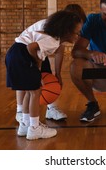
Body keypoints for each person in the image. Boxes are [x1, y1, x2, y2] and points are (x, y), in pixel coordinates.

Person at [6, 10, 83, 140]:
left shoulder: (52, 37)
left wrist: (38, 70)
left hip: (14, 53)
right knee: (36, 92)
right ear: (66, 31)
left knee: (30, 91)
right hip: (22, 54)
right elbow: (31, 48)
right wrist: (36, 69)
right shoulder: (52, 40)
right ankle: (35, 128)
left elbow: (38, 54)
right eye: (76, 33)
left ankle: (25, 124)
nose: (78, 36)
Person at [44, 4, 87, 121]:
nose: (79, 32)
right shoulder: (51, 29)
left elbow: (59, 51)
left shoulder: (60, 33)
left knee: (48, 78)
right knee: (26, 83)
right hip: (24, 53)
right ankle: (21, 111)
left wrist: (58, 73)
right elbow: (32, 47)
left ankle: (51, 108)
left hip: (38, 53)